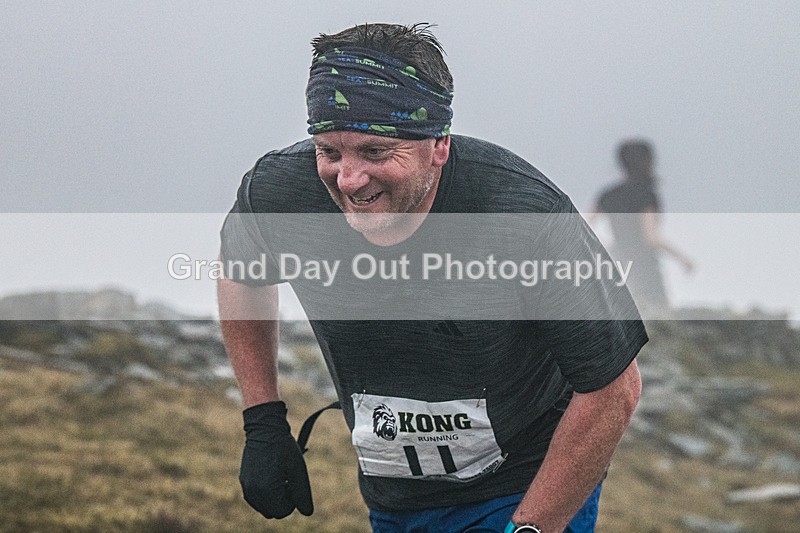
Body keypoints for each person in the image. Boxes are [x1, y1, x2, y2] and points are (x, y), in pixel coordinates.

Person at [218, 23, 646, 533]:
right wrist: (263, 421)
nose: (349, 179)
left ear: (438, 144)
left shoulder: (523, 214)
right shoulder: (281, 193)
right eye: (330, 152)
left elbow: (613, 386)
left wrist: (531, 528)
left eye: (375, 152)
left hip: (523, 485)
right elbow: (240, 272)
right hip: (395, 496)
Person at [590, 140, 694, 314]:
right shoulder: (646, 196)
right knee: (659, 316)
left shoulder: (607, 195)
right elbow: (651, 237)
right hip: (644, 264)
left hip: (618, 261)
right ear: (648, 161)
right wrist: (683, 259)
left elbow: (582, 227)